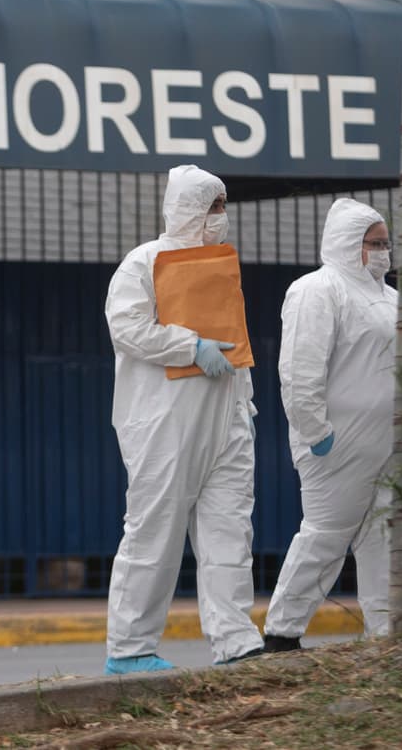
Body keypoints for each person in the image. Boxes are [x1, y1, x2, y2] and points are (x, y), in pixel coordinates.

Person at [103, 164, 264, 674]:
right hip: (163, 423)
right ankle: (130, 648)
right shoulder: (144, 262)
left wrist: (244, 406)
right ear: (187, 209)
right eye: (213, 206)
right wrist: (189, 345)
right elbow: (127, 327)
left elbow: (235, 344)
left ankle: (236, 641)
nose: (220, 215)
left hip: (225, 419)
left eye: (223, 206)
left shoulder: (221, 266)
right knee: (154, 530)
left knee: (229, 531)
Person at [262, 198, 398, 653]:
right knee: (326, 536)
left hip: (387, 443)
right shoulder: (317, 290)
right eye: (373, 243)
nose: (382, 252)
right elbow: (300, 369)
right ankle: (282, 633)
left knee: (384, 535)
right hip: (335, 444)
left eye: (385, 243)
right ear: (347, 242)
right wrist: (315, 431)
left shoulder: (391, 299)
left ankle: (385, 633)